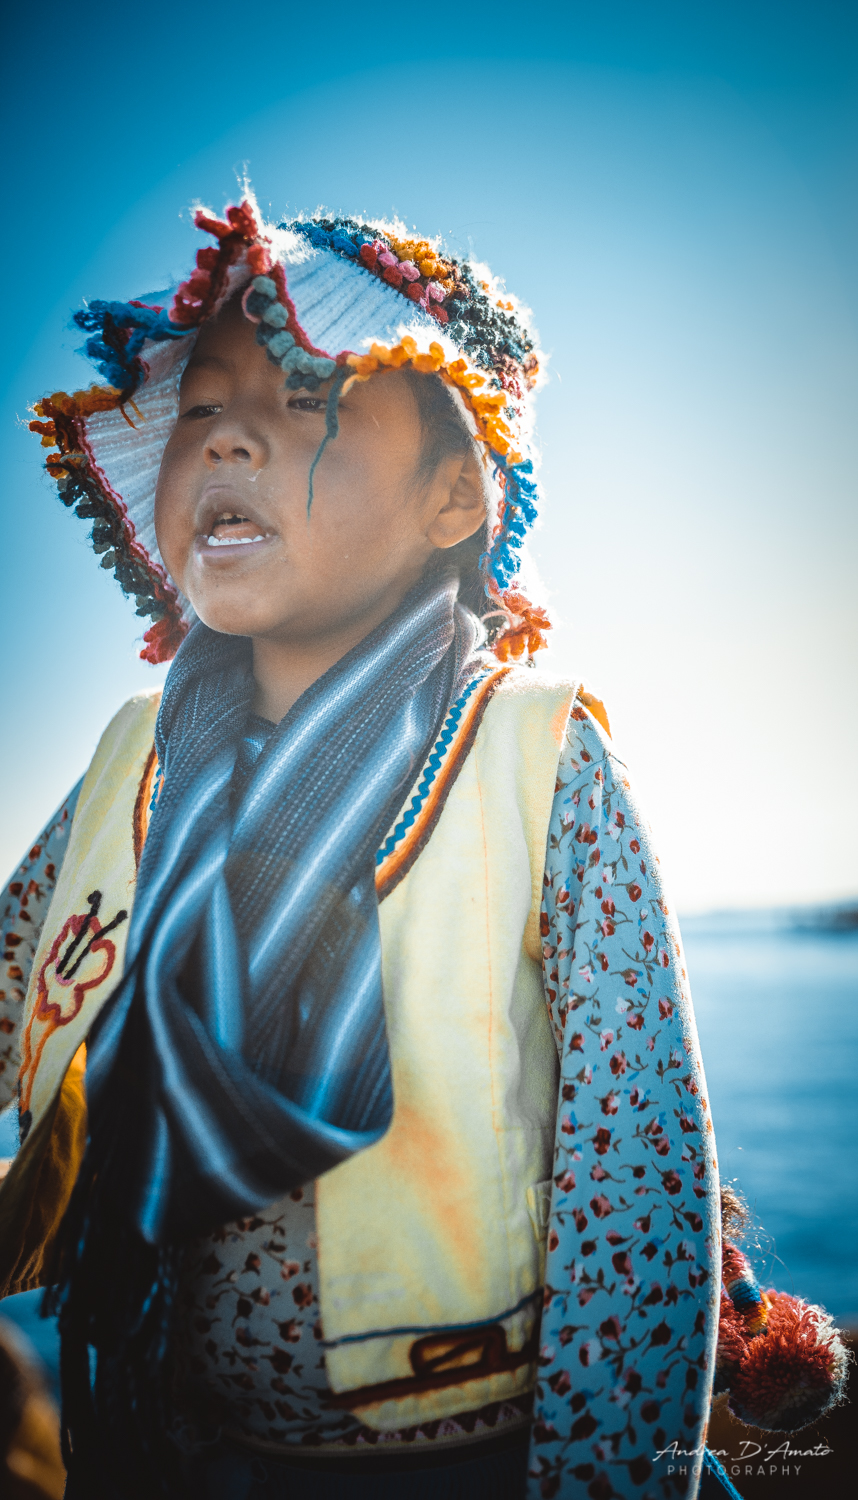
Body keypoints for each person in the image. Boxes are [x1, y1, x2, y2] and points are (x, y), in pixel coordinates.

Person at [0, 194, 721, 1499]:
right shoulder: (132, 758)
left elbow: (632, 1191)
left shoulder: (537, 757)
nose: (227, 434)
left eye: (304, 398)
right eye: (202, 409)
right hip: (166, 1441)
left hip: (468, 1454)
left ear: (452, 496)